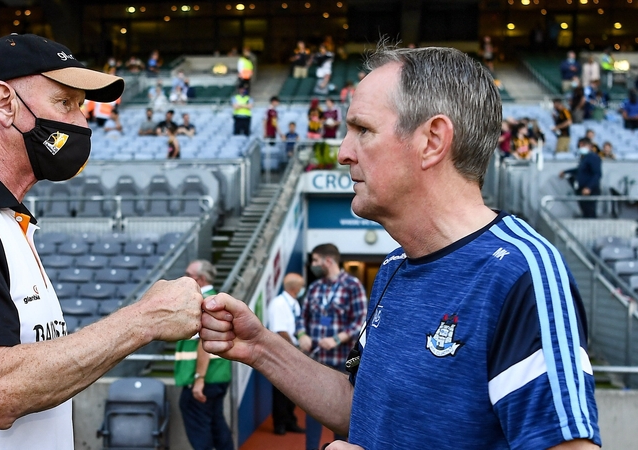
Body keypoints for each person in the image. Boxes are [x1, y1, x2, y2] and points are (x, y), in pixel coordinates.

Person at [199, 45, 600, 450]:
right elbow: (363, 406)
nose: (342, 153)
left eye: (363, 131)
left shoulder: (522, 273)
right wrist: (261, 347)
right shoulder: (395, 265)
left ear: (432, 140)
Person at [0, 33, 203, 450]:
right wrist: (146, 319)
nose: (82, 123)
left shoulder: (3, 217)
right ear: (5, 103)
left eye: (81, 107)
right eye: (64, 102)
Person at [295, 243, 367, 450]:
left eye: (315, 261)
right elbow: (302, 317)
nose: (312, 265)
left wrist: (338, 339)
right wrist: (302, 335)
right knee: (312, 413)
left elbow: (361, 322)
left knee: (340, 415)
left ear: (328, 261)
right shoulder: (315, 288)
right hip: (315, 361)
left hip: (342, 363)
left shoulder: (352, 286)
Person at [175, 260, 233, 450]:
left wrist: (199, 378)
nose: (183, 277)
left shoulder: (201, 303)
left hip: (203, 378)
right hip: (217, 375)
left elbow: (204, 343)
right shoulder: (215, 300)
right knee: (217, 424)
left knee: (201, 431)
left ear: (199, 279)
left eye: (187, 273)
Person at [266, 273, 306, 436]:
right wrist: (294, 351)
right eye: (302, 286)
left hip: (293, 351)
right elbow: (281, 331)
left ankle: (290, 421)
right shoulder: (278, 304)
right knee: (281, 390)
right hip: (282, 352)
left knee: (292, 390)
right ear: (296, 288)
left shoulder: (294, 304)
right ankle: (280, 424)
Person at [560, 138, 602, 218]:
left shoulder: (593, 157)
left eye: (583, 145)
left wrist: (589, 187)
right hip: (582, 189)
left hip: (590, 190)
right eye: (580, 145)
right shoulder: (584, 158)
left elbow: (597, 174)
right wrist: (566, 172)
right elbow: (579, 170)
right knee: (584, 211)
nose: (580, 147)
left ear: (589, 146)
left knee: (590, 212)